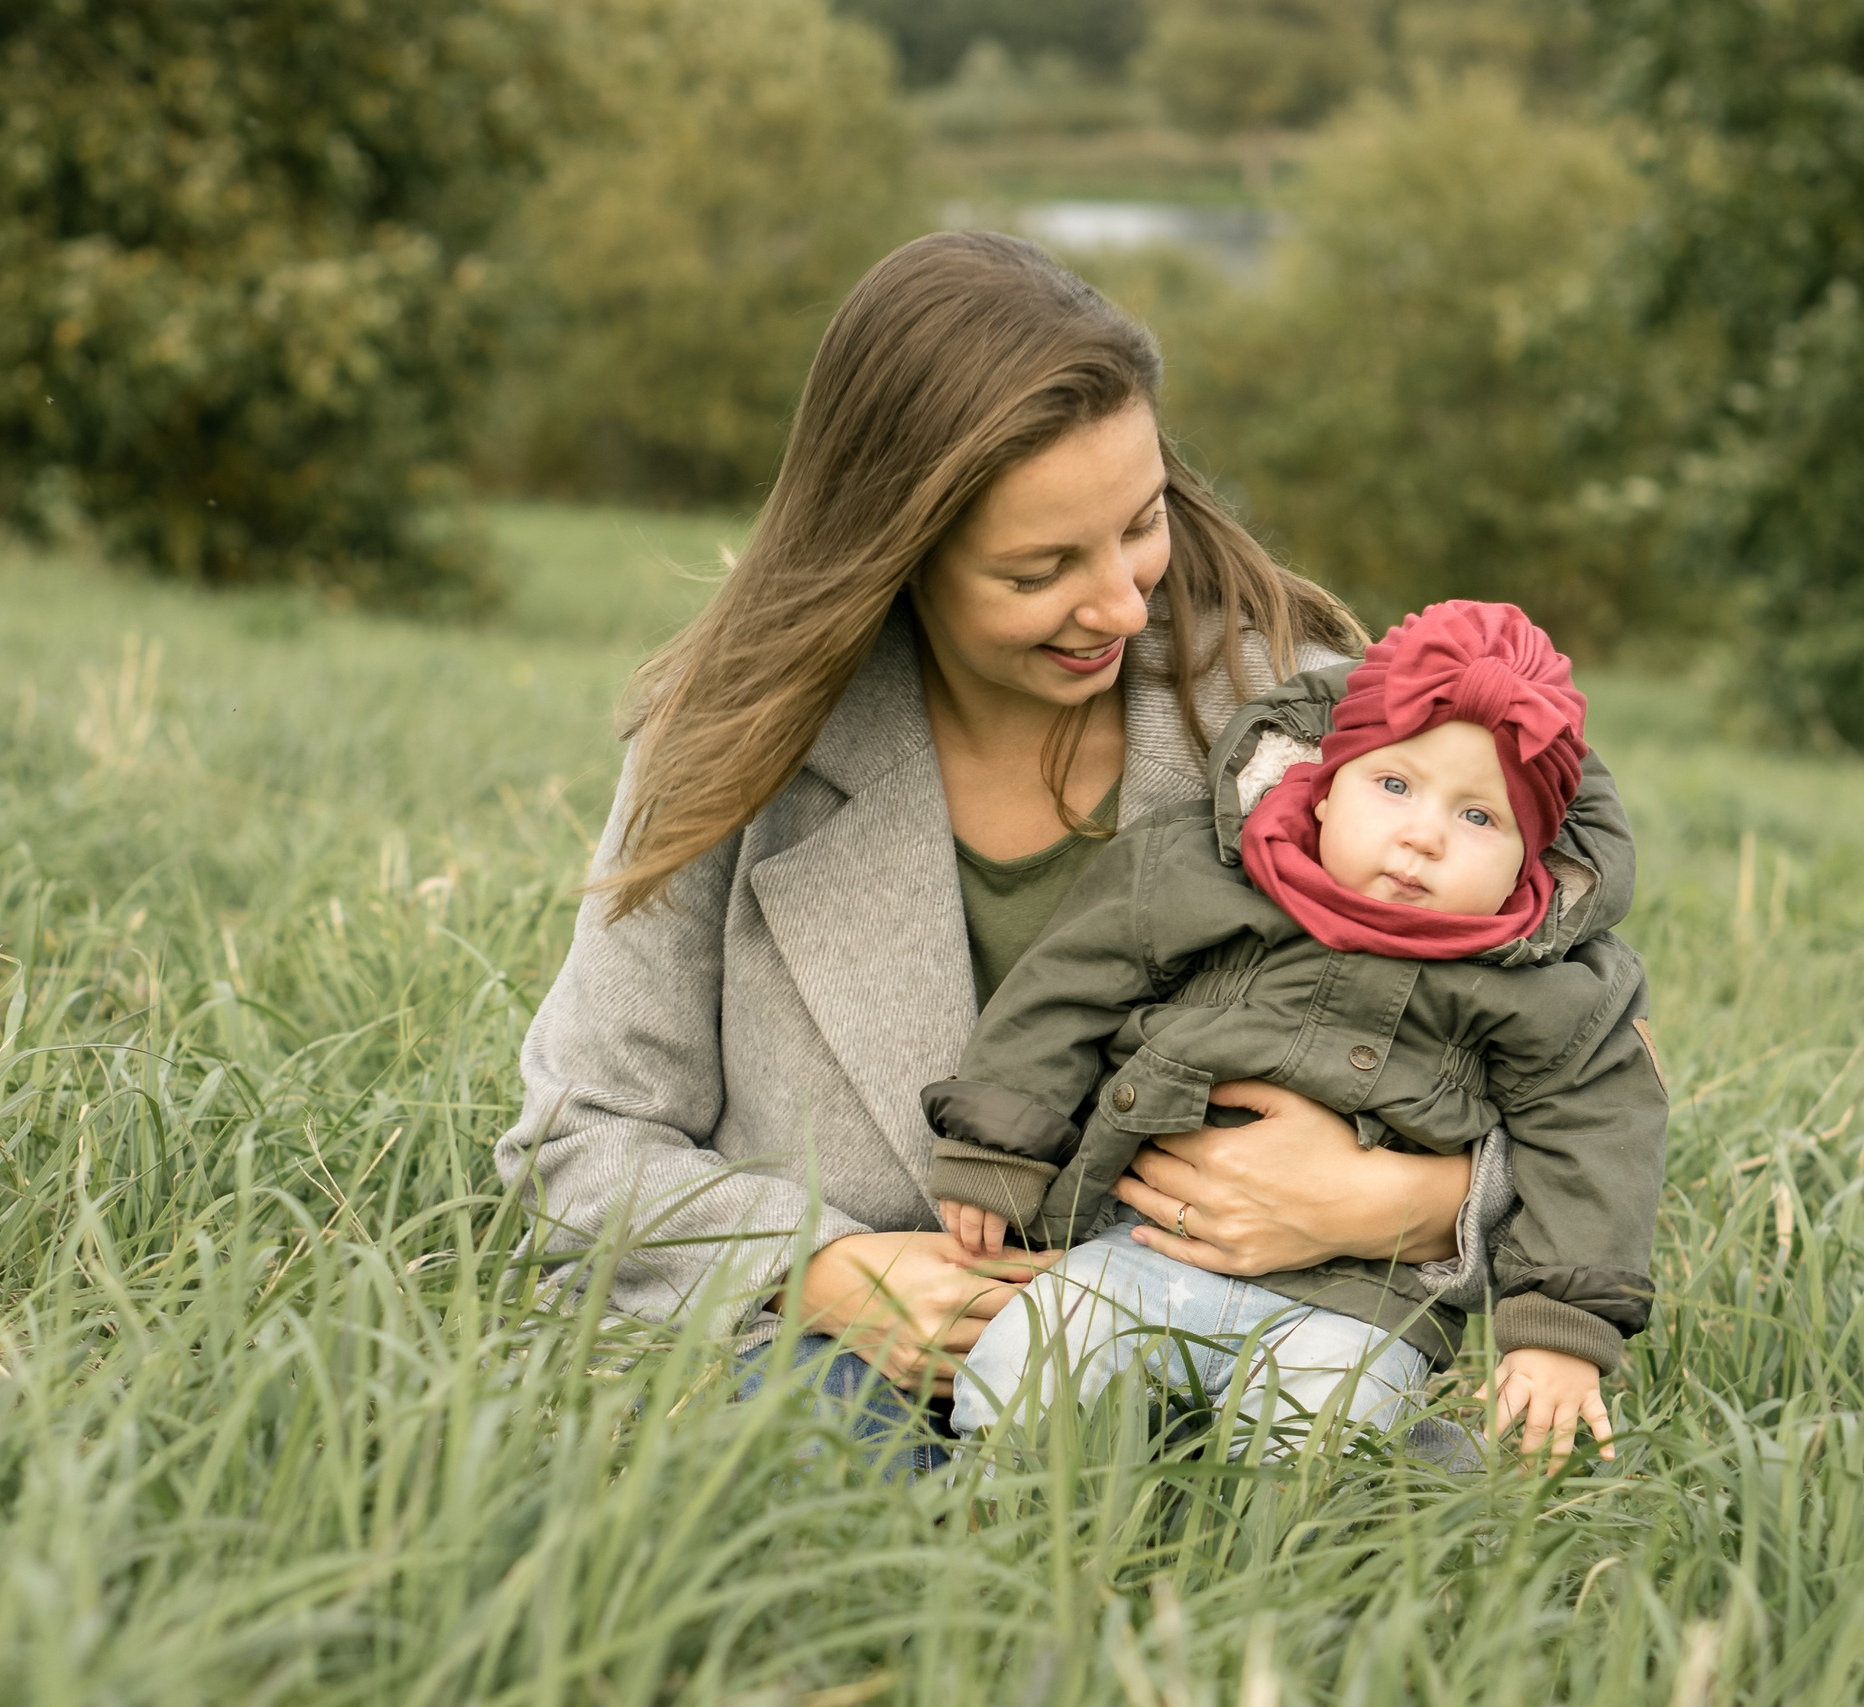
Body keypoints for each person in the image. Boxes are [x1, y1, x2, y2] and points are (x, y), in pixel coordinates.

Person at [496, 231, 1634, 1475]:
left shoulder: (1324, 746)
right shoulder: (730, 742)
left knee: (1348, 1519)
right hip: (841, 1376)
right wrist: (818, 1270)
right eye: (1038, 570)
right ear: (895, 552)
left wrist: (1415, 1206)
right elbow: (582, 1136)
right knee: (812, 1482)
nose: (1123, 606)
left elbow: (1585, 1075)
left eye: (1141, 524)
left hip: (1247, 1366)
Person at [927, 602, 1668, 1460]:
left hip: (1363, 1302)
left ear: (1529, 862)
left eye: (1479, 817)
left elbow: (1600, 1133)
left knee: (1320, 1438)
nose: (1422, 836)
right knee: (1030, 1366)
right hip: (1138, 1241)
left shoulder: (1553, 988)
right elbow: (1067, 982)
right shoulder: (1200, 874)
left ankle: (1325, 1513)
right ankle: (1002, 1503)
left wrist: (1559, 1330)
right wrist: (999, 1145)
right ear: (1323, 783)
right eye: (1393, 785)